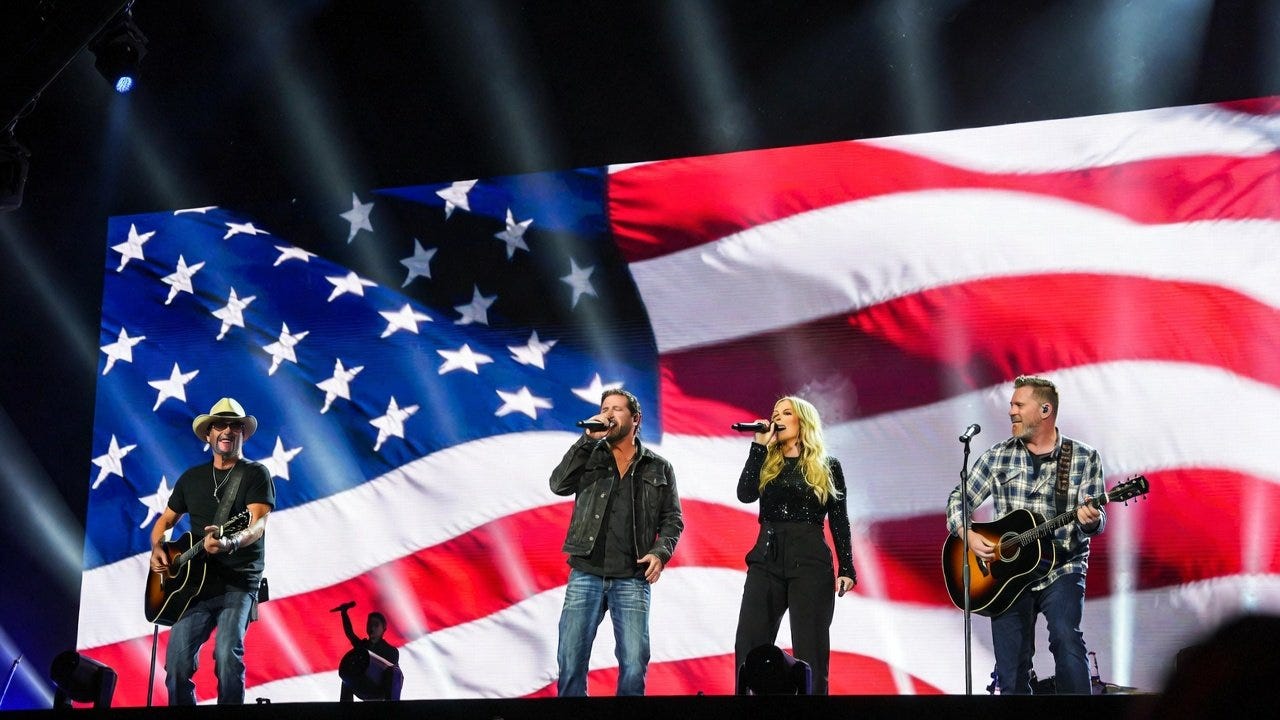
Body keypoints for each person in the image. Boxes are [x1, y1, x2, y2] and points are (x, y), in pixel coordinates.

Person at [946, 375, 1105, 695]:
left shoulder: (1083, 457)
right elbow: (958, 500)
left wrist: (1090, 520)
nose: (1011, 411)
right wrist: (968, 533)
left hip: (1062, 566)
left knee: (1065, 637)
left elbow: (1095, 522)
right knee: (1011, 671)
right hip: (1006, 576)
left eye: (1019, 405)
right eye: (1011, 405)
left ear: (1045, 410)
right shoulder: (998, 456)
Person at [549, 388, 683, 696]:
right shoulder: (589, 455)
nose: (608, 414)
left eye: (616, 409)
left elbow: (672, 519)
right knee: (570, 660)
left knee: (634, 663)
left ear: (636, 419)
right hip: (586, 572)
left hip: (632, 577)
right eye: (605, 408)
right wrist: (586, 441)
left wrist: (660, 553)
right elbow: (558, 484)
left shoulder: (658, 466)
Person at [149, 397, 276, 705]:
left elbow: (257, 525)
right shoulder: (191, 478)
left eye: (234, 426)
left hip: (239, 581)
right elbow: (165, 521)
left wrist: (231, 542)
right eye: (219, 425)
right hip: (194, 587)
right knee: (176, 666)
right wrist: (157, 547)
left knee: (227, 655)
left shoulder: (255, 474)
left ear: (243, 434)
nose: (227, 431)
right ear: (208, 434)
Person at [733, 396, 856, 695]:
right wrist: (758, 447)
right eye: (775, 413)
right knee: (748, 645)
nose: (777, 418)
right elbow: (745, 494)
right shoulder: (766, 460)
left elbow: (839, 518)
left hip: (810, 561)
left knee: (810, 650)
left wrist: (847, 566)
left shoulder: (828, 466)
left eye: (786, 413)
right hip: (766, 558)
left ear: (803, 421)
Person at [334, 601, 399, 701]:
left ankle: (391, 707)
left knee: (394, 673)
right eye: (370, 624)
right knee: (346, 678)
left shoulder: (391, 651)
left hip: (380, 689)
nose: (372, 627)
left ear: (384, 629)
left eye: (376, 625)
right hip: (365, 687)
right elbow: (350, 633)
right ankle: (345, 709)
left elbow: (393, 675)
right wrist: (344, 613)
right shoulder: (362, 646)